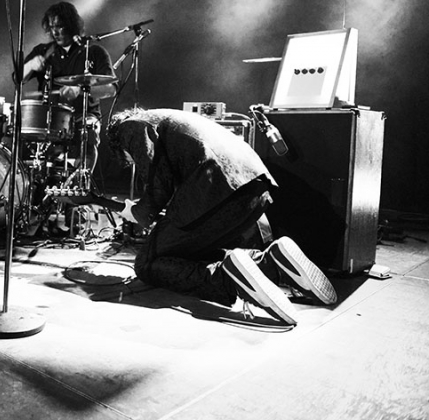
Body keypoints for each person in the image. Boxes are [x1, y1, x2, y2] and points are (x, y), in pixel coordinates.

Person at [103, 107, 337, 325]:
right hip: (254, 187)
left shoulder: (130, 127)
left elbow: (158, 185)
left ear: (117, 141)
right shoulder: (165, 118)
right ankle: (270, 260)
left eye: (127, 158)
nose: (130, 162)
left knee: (147, 264)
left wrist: (138, 212)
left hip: (216, 190)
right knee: (189, 249)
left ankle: (226, 278)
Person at [21, 2, 116, 170]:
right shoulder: (43, 51)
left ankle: (81, 182)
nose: (55, 32)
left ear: (71, 26)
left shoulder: (93, 52)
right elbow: (17, 78)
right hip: (49, 117)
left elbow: (110, 88)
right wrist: (29, 66)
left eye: (60, 26)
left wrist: (81, 90)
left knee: (88, 132)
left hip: (83, 116)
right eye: (51, 27)